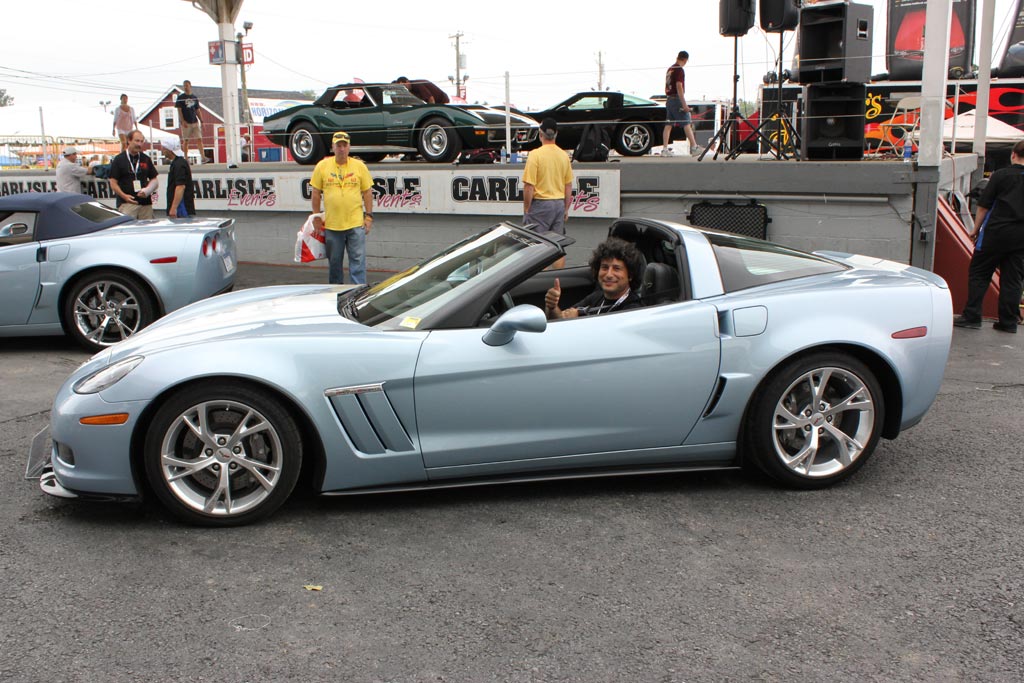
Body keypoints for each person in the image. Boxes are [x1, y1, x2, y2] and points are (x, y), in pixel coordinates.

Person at [953, 139, 1024, 333]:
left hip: (996, 233)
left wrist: (975, 230)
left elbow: (984, 206)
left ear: (1013, 155)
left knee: (980, 273)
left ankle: (972, 316)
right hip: (1021, 237)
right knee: (1013, 280)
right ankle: (1008, 322)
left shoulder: (1001, 175)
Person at [310, 131, 374, 284]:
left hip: (355, 225)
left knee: (358, 264)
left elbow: (367, 192)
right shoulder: (322, 166)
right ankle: (335, 297)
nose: (342, 149)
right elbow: (316, 192)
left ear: (349, 147)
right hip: (332, 226)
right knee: (335, 265)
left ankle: (358, 296)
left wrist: (369, 217)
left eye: (345, 145)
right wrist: (316, 216)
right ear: (333, 147)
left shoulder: (359, 166)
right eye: (338, 145)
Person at [544, 238, 644, 320]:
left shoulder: (633, 310)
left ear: (630, 275)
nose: (609, 274)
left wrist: (576, 323)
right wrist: (552, 306)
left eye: (616, 269)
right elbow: (561, 319)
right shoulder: (597, 296)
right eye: (605, 267)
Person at [523, 117, 574, 268]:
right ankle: (558, 280)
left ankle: (541, 283)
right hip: (558, 204)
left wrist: (527, 208)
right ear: (556, 134)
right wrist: (565, 209)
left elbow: (528, 186)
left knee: (538, 247)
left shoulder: (535, 155)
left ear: (540, 134)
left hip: (540, 206)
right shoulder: (563, 155)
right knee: (557, 246)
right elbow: (568, 185)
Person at [108, 129, 159, 219]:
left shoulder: (146, 159)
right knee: (128, 230)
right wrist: (124, 196)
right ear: (129, 140)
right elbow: (113, 183)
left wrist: (147, 190)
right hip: (127, 204)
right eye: (137, 141)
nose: (139, 144)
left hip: (145, 204)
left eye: (141, 141)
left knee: (147, 231)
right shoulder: (119, 159)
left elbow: (154, 179)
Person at [661, 51, 702, 157]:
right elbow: (679, 86)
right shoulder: (679, 70)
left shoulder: (670, 69)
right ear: (685, 60)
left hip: (669, 99)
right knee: (686, 122)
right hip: (676, 99)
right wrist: (684, 104)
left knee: (668, 124)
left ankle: (664, 149)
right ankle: (694, 147)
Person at [160, 139, 195, 217]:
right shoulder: (178, 162)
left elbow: (180, 187)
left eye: (164, 148)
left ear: (169, 150)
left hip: (182, 207)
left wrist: (173, 208)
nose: (162, 151)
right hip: (181, 206)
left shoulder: (179, 164)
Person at [176, 80, 203, 163]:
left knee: (199, 138)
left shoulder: (194, 97)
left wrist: (201, 120)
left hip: (194, 121)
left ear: (190, 86)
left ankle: (203, 156)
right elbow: (179, 110)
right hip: (186, 122)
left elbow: (197, 110)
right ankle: (186, 157)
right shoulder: (181, 97)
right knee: (186, 140)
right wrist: (182, 120)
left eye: (187, 85)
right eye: (184, 85)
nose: (185, 87)